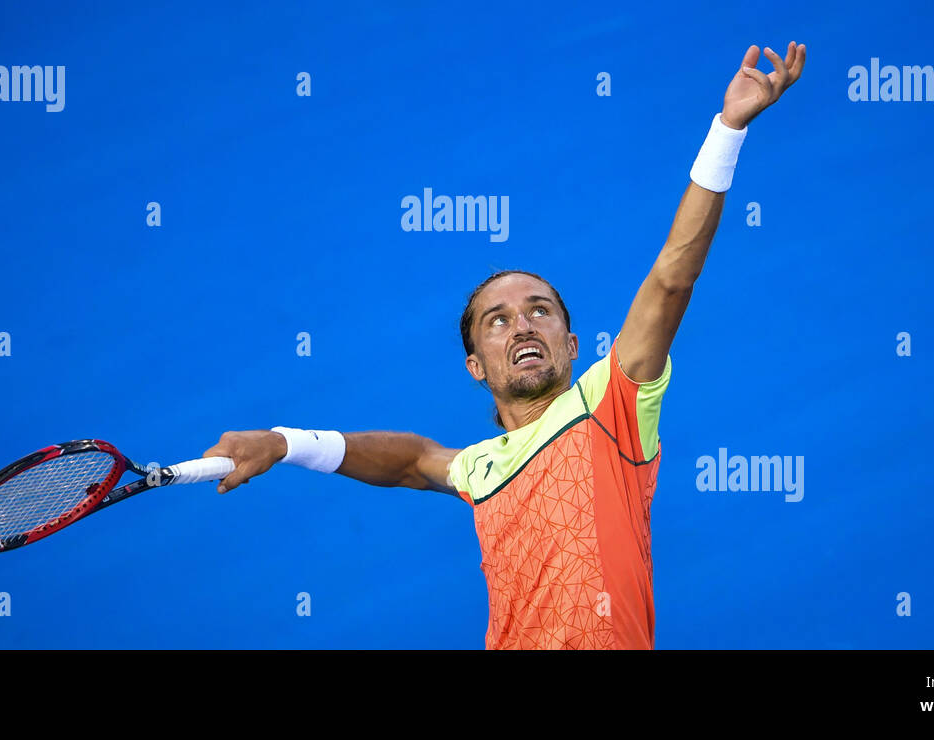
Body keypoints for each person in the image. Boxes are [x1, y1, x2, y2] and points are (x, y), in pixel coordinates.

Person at [204, 42, 807, 649]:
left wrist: (727, 128)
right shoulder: (478, 467)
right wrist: (284, 443)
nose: (521, 326)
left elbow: (673, 277)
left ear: (571, 345)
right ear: (476, 366)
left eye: (538, 311)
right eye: (497, 321)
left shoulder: (611, 404)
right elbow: (413, 460)